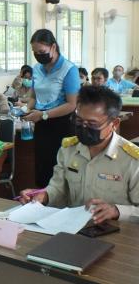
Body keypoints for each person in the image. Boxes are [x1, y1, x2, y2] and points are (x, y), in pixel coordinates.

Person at [19, 86, 139, 224]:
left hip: (119, 234)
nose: (84, 127)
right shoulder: (68, 150)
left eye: (92, 123)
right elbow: (58, 188)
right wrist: (43, 196)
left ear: (114, 124)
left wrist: (117, 211)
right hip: (73, 228)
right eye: (79, 121)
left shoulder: (132, 160)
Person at [23, 29, 80, 187]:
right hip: (41, 124)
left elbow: (71, 104)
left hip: (62, 125)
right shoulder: (37, 69)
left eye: (41, 51)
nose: (38, 55)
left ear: (53, 47)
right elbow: (34, 96)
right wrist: (26, 111)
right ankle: (41, 203)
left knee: (60, 168)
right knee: (42, 168)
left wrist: (43, 115)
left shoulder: (69, 69)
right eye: (35, 52)